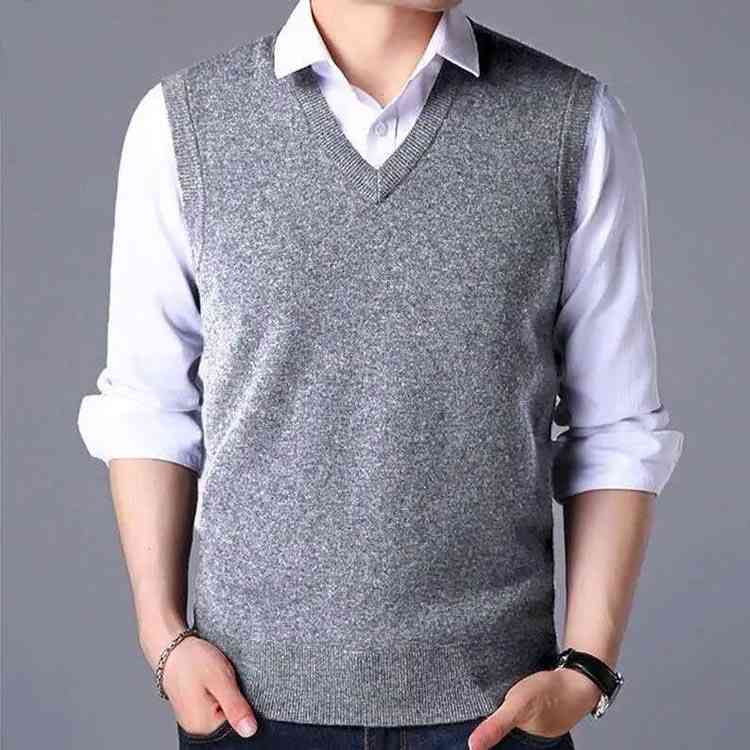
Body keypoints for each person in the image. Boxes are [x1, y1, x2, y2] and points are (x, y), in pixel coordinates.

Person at [76, 1, 684, 748]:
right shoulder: (185, 124)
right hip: (250, 707)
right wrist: (164, 638)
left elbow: (617, 427)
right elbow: (149, 407)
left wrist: (587, 667)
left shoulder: (573, 124)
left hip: (494, 710)